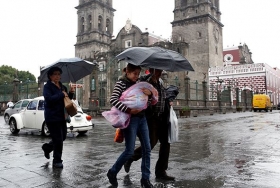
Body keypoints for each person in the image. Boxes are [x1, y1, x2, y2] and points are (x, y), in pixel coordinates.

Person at [107, 63, 154, 188]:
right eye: (134, 73)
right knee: (129, 151)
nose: (136, 76)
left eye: (138, 74)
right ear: (127, 72)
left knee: (147, 149)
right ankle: (112, 172)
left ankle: (145, 179)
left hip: (142, 118)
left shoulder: (139, 84)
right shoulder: (121, 83)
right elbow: (113, 99)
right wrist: (128, 110)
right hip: (130, 119)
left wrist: (149, 95)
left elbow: (145, 102)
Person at [124, 68, 175, 181]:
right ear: (151, 70)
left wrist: (169, 99)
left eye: (161, 71)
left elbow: (161, 96)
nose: (160, 73)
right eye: (157, 71)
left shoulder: (160, 82)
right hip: (151, 117)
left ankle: (161, 172)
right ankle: (131, 158)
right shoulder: (144, 81)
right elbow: (140, 95)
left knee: (166, 143)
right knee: (151, 143)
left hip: (162, 116)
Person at [41, 66, 75, 168]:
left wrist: (71, 93)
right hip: (52, 116)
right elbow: (49, 99)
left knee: (63, 136)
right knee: (58, 139)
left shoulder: (62, 86)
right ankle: (57, 160)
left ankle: (47, 148)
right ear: (50, 76)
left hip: (62, 116)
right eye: (55, 74)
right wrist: (61, 94)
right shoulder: (47, 87)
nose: (57, 76)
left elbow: (66, 99)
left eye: (59, 74)